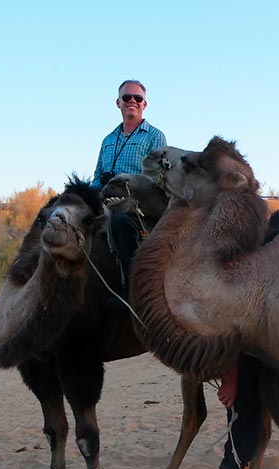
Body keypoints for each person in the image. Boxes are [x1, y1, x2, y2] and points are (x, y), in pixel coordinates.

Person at [91, 80, 167, 304]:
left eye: (137, 98)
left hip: (138, 204)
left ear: (144, 104)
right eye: (126, 97)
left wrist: (128, 185)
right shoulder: (108, 140)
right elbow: (96, 175)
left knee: (121, 222)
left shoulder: (154, 136)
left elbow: (158, 178)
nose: (132, 101)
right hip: (106, 198)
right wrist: (95, 190)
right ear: (118, 103)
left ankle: (130, 289)